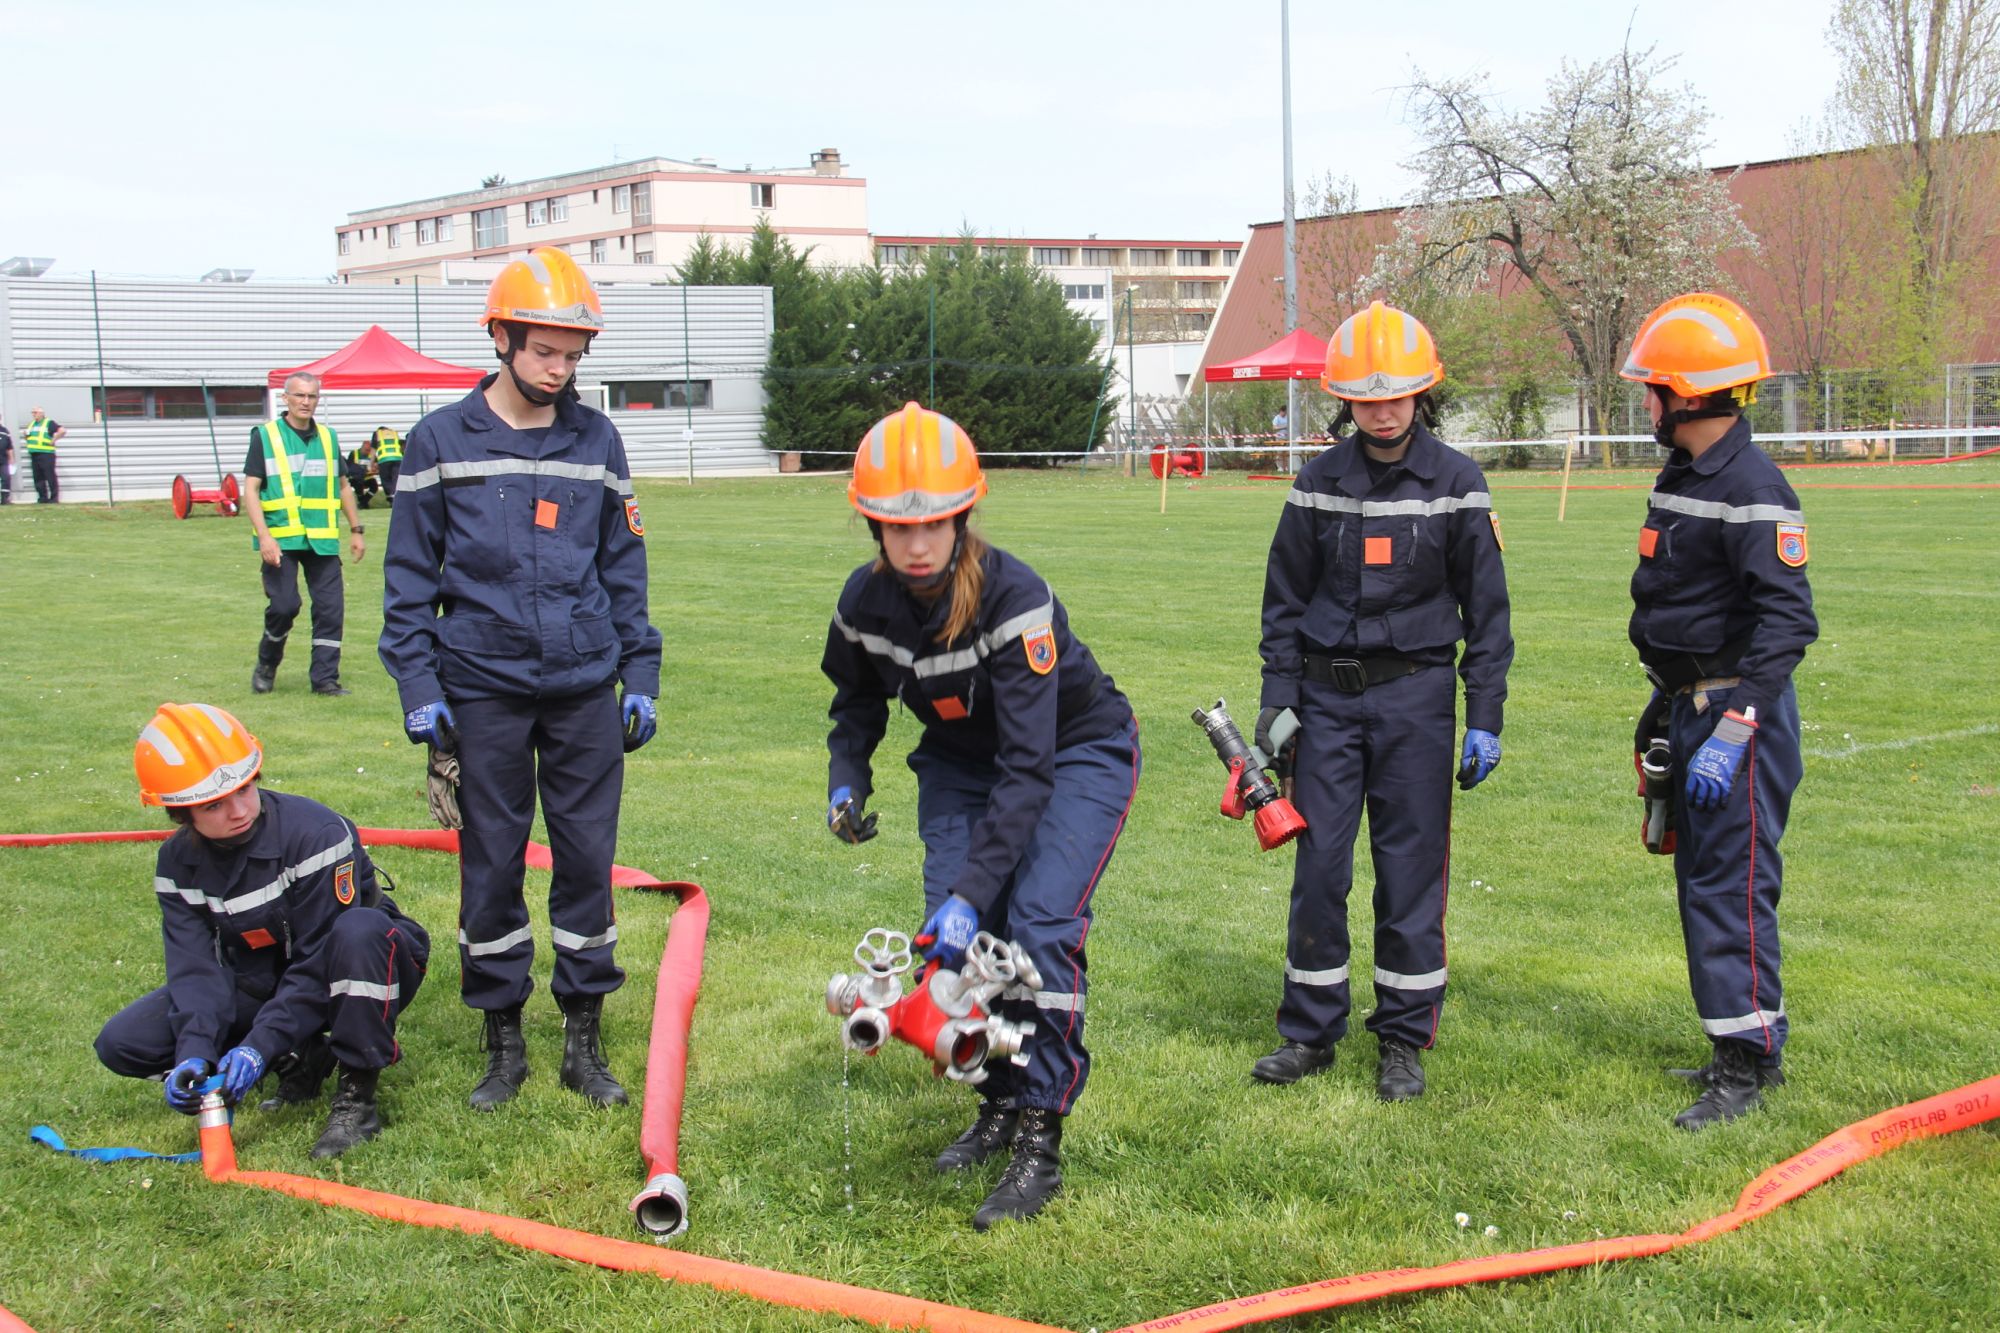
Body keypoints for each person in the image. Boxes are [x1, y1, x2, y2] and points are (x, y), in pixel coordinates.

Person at [821, 402, 1141, 1231]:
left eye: (934, 523)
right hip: (962, 764)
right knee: (952, 936)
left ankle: (1040, 1129)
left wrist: (976, 895)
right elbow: (855, 700)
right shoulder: (864, 603)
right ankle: (995, 1099)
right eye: (897, 526)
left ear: (965, 516)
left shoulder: (1015, 598)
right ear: (873, 526)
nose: (917, 543)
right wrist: (845, 779)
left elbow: (1030, 770)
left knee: (1032, 926)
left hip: (1074, 753)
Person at [380, 246, 660, 1112]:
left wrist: (639, 672)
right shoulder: (438, 443)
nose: (560, 368)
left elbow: (625, 567)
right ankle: (502, 1042)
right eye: (545, 350)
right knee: (491, 864)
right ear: (500, 337)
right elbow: (406, 589)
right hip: (482, 691)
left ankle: (584, 1039)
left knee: (586, 861)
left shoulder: (597, 439)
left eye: (574, 354)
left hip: (582, 690)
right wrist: (421, 692)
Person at [1252, 300, 1512, 1102]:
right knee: (1319, 869)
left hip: (1418, 702)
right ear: (1345, 401)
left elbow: (1489, 616)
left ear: (1421, 394)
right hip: (1326, 704)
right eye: (1366, 396)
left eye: (1396, 394)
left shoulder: (1458, 482)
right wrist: (1276, 704)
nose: (1382, 408)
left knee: (1410, 874)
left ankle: (1403, 1037)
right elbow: (1283, 603)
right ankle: (1309, 1030)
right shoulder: (1317, 482)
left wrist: (1487, 716)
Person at [1620, 292, 1816, 1131]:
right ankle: (1734, 1038)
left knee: (1732, 888)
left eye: (1653, 388)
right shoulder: (1689, 472)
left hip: (1740, 716)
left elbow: (1788, 621)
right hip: (1693, 705)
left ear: (1688, 396)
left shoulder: (1752, 484)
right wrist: (1664, 703)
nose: (1646, 402)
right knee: (1704, 882)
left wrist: (1734, 728)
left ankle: (1747, 1064)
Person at [95, 702, 430, 1160]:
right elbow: (195, 970)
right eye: (214, 805)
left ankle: (357, 1096)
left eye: (245, 789)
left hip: (360, 964)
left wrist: (257, 1045)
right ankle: (299, 1057)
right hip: (264, 977)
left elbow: (316, 962)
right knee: (123, 1043)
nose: (237, 810)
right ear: (180, 813)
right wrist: (194, 1052)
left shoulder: (316, 834)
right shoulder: (177, 866)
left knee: (357, 931)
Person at [245, 373, 367, 696]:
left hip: (321, 538)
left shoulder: (328, 438)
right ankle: (267, 663)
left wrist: (356, 529)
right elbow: (251, 490)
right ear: (285, 399)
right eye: (299, 395)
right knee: (284, 605)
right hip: (281, 538)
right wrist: (264, 537)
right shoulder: (266, 436)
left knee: (330, 609)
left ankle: (325, 680)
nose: (306, 402)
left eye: (312, 396)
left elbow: (343, 486)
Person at [22, 407, 64, 503]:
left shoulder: (49, 423)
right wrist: (26, 435)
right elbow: (28, 436)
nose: (33, 414)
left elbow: (62, 431)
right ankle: (42, 498)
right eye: (32, 412)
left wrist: (54, 440)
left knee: (50, 476)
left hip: (46, 454)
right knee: (38, 477)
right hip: (34, 453)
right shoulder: (32, 424)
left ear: (41, 413)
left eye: (35, 412)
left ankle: (54, 498)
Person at [346, 437, 382, 508]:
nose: (368, 452)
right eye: (366, 450)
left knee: (374, 487)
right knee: (358, 485)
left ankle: (363, 501)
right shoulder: (354, 453)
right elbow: (349, 467)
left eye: (369, 450)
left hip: (367, 477)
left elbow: (377, 467)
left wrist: (375, 469)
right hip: (357, 477)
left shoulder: (372, 455)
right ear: (362, 447)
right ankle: (362, 502)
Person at [371, 425, 405, 499]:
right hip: (398, 458)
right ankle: (396, 497)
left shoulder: (377, 433)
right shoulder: (394, 433)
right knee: (395, 479)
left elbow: (373, 449)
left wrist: (371, 464)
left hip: (384, 459)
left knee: (386, 480)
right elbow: (402, 447)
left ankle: (391, 497)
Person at [0, 421, 13, 504]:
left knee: (6, 479)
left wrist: (11, 458)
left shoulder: (4, 431)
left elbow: (9, 446)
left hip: (3, 460)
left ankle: (5, 499)